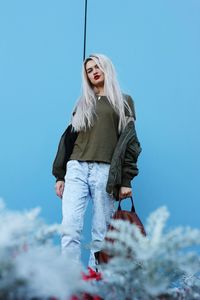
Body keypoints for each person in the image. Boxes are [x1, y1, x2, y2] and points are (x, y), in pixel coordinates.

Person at [52, 54, 142, 270]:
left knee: (101, 231)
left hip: (106, 170)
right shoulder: (83, 102)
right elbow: (68, 139)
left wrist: (126, 181)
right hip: (76, 168)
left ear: (106, 67)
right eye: (89, 70)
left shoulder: (124, 101)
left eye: (97, 66)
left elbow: (130, 143)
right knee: (70, 226)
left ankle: (96, 280)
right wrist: (60, 175)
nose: (94, 71)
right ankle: (69, 281)